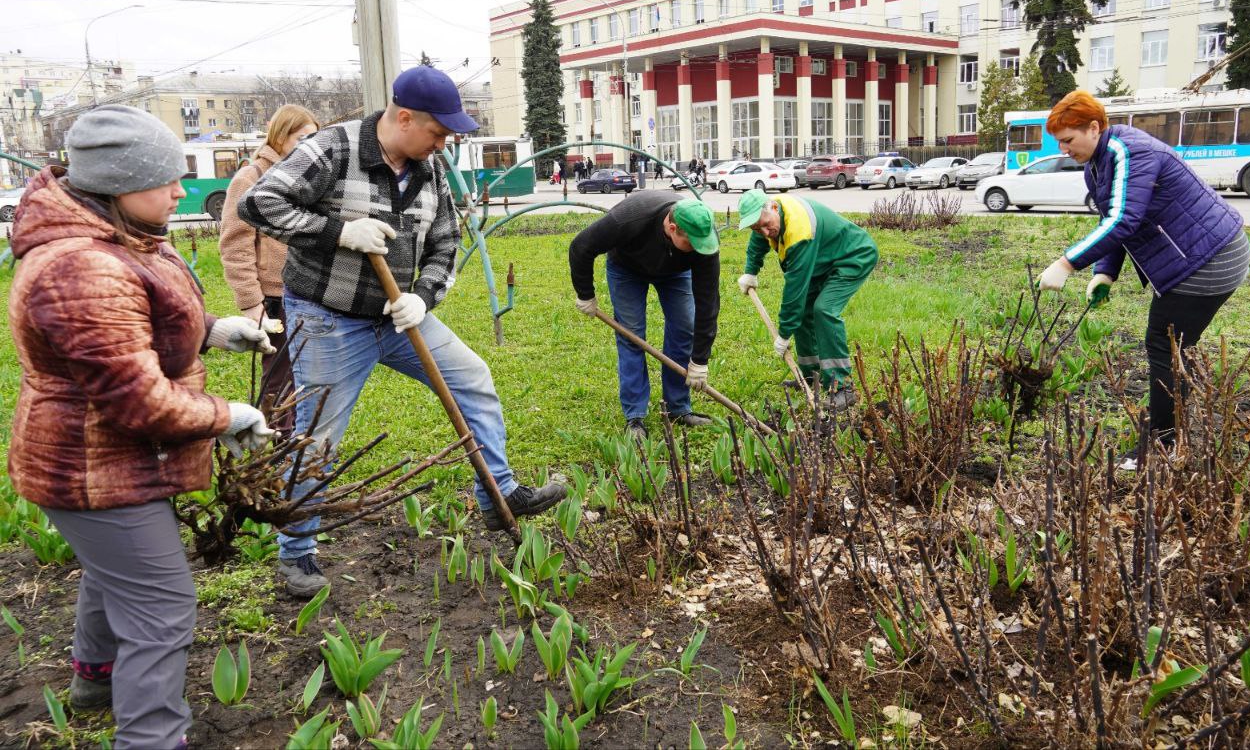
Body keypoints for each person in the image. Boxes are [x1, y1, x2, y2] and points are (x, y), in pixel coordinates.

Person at [240, 66, 565, 598]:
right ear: (405, 116)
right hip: (328, 320)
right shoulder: (334, 150)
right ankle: (296, 553)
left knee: (473, 378)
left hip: (397, 317)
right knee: (319, 435)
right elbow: (260, 203)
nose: (444, 143)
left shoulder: (429, 168)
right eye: (438, 132)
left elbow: (445, 243)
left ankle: (499, 492)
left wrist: (424, 296)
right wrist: (338, 231)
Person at [7, 106, 275, 749]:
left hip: (105, 458)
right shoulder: (81, 268)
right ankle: (151, 737)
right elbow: (139, 402)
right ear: (118, 183)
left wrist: (210, 333)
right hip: (93, 464)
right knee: (159, 607)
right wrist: (226, 416)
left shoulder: (116, 238)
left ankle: (95, 680)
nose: (181, 190)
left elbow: (134, 326)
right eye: (166, 178)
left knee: (114, 573)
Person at [1034, 90, 1248, 460]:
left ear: (1094, 128)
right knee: (1174, 348)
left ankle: (1163, 447)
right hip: (1194, 256)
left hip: (1209, 258)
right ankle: (1173, 433)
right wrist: (1106, 273)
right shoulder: (1097, 165)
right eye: (1060, 142)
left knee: (1165, 346)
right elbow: (1114, 219)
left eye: (1069, 140)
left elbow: (1123, 221)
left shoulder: (1129, 152)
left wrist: (1066, 263)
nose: (1064, 149)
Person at [569, 190, 721, 440]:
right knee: (631, 335)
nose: (698, 249)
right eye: (691, 244)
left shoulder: (704, 237)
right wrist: (585, 293)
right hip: (626, 269)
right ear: (672, 228)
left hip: (676, 273)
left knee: (685, 327)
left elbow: (708, 300)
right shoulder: (629, 218)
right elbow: (581, 247)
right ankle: (635, 416)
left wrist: (700, 360)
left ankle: (678, 408)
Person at [218, 104, 319, 434]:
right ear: (279, 136)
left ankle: (302, 445)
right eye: (302, 138)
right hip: (274, 297)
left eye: (314, 138)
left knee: (311, 372)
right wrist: (251, 303)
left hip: (312, 293)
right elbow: (235, 245)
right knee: (279, 376)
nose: (309, 145)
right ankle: (277, 447)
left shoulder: (310, 178)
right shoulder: (251, 178)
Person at [736, 189, 879, 409]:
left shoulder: (799, 229)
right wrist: (750, 271)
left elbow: (795, 289)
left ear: (773, 207)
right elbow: (758, 239)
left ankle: (842, 386)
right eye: (757, 227)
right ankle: (812, 377)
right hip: (822, 259)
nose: (764, 232)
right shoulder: (769, 214)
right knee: (803, 313)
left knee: (824, 310)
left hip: (852, 256)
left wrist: (784, 333)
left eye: (766, 225)